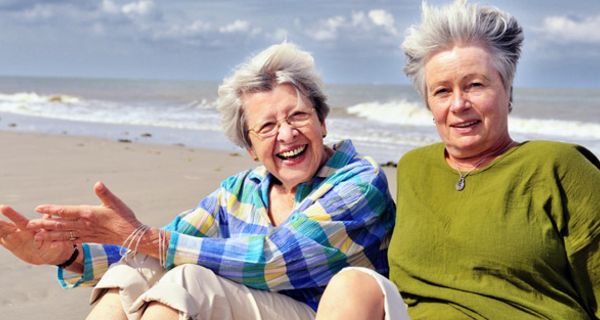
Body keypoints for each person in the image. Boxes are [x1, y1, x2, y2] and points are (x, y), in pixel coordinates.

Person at [0, 43, 396, 320]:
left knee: (186, 277)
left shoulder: (359, 182)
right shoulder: (239, 192)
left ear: (322, 121)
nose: (287, 134)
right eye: (268, 126)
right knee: (136, 268)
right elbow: (151, 248)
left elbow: (274, 259)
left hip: (325, 312)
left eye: (297, 116)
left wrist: (142, 236)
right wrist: (66, 256)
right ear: (250, 148)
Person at [316, 1, 600, 319]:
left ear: (507, 90)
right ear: (428, 102)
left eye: (475, 85)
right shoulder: (414, 168)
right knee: (352, 284)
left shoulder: (559, 167)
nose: (459, 104)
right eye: (442, 91)